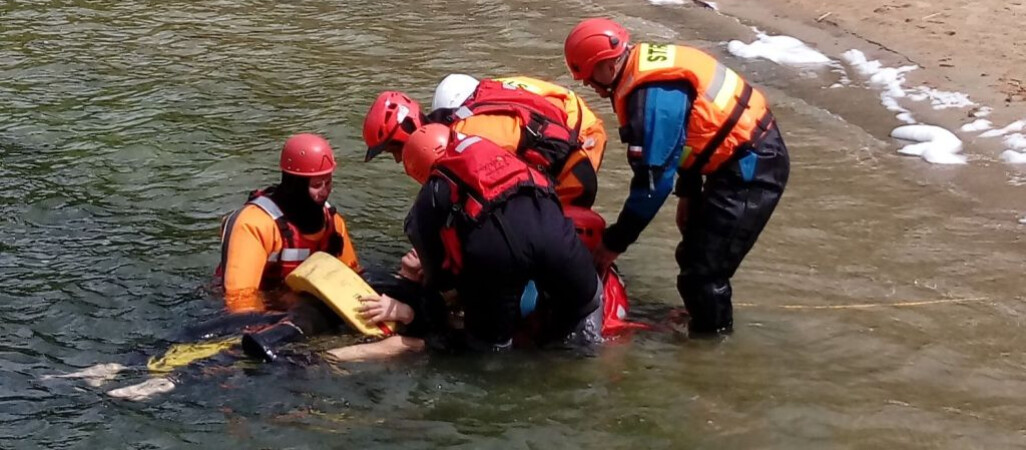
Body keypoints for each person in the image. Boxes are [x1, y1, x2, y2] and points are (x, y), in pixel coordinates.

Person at [563, 18, 790, 336]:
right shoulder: (644, 66)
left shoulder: (652, 98)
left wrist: (614, 243)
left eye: (587, 75)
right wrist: (689, 192)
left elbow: (652, 186)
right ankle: (700, 314)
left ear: (607, 65)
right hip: (732, 157)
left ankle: (712, 346)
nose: (587, 84)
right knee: (692, 252)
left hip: (752, 168)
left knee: (703, 273)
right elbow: (690, 134)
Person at [398, 123, 603, 350]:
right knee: (589, 302)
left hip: (496, 255)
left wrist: (436, 285)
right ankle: (590, 354)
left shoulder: (434, 190)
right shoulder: (499, 151)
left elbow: (436, 273)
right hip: (551, 229)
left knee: (489, 347)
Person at [362, 77, 598, 208]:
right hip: (570, 140)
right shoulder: (461, 118)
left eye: (394, 150)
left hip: (574, 168)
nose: (396, 159)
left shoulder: (464, 141)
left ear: (409, 130)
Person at [216, 133, 362, 314]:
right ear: (295, 184)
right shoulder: (254, 224)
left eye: (328, 182)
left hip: (306, 305)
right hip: (262, 308)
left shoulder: (333, 222)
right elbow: (239, 302)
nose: (324, 192)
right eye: (317, 185)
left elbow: (353, 276)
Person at [430, 73, 608, 207]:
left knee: (565, 212)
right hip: (572, 116)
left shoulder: (477, 125)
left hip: (580, 134)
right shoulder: (493, 88)